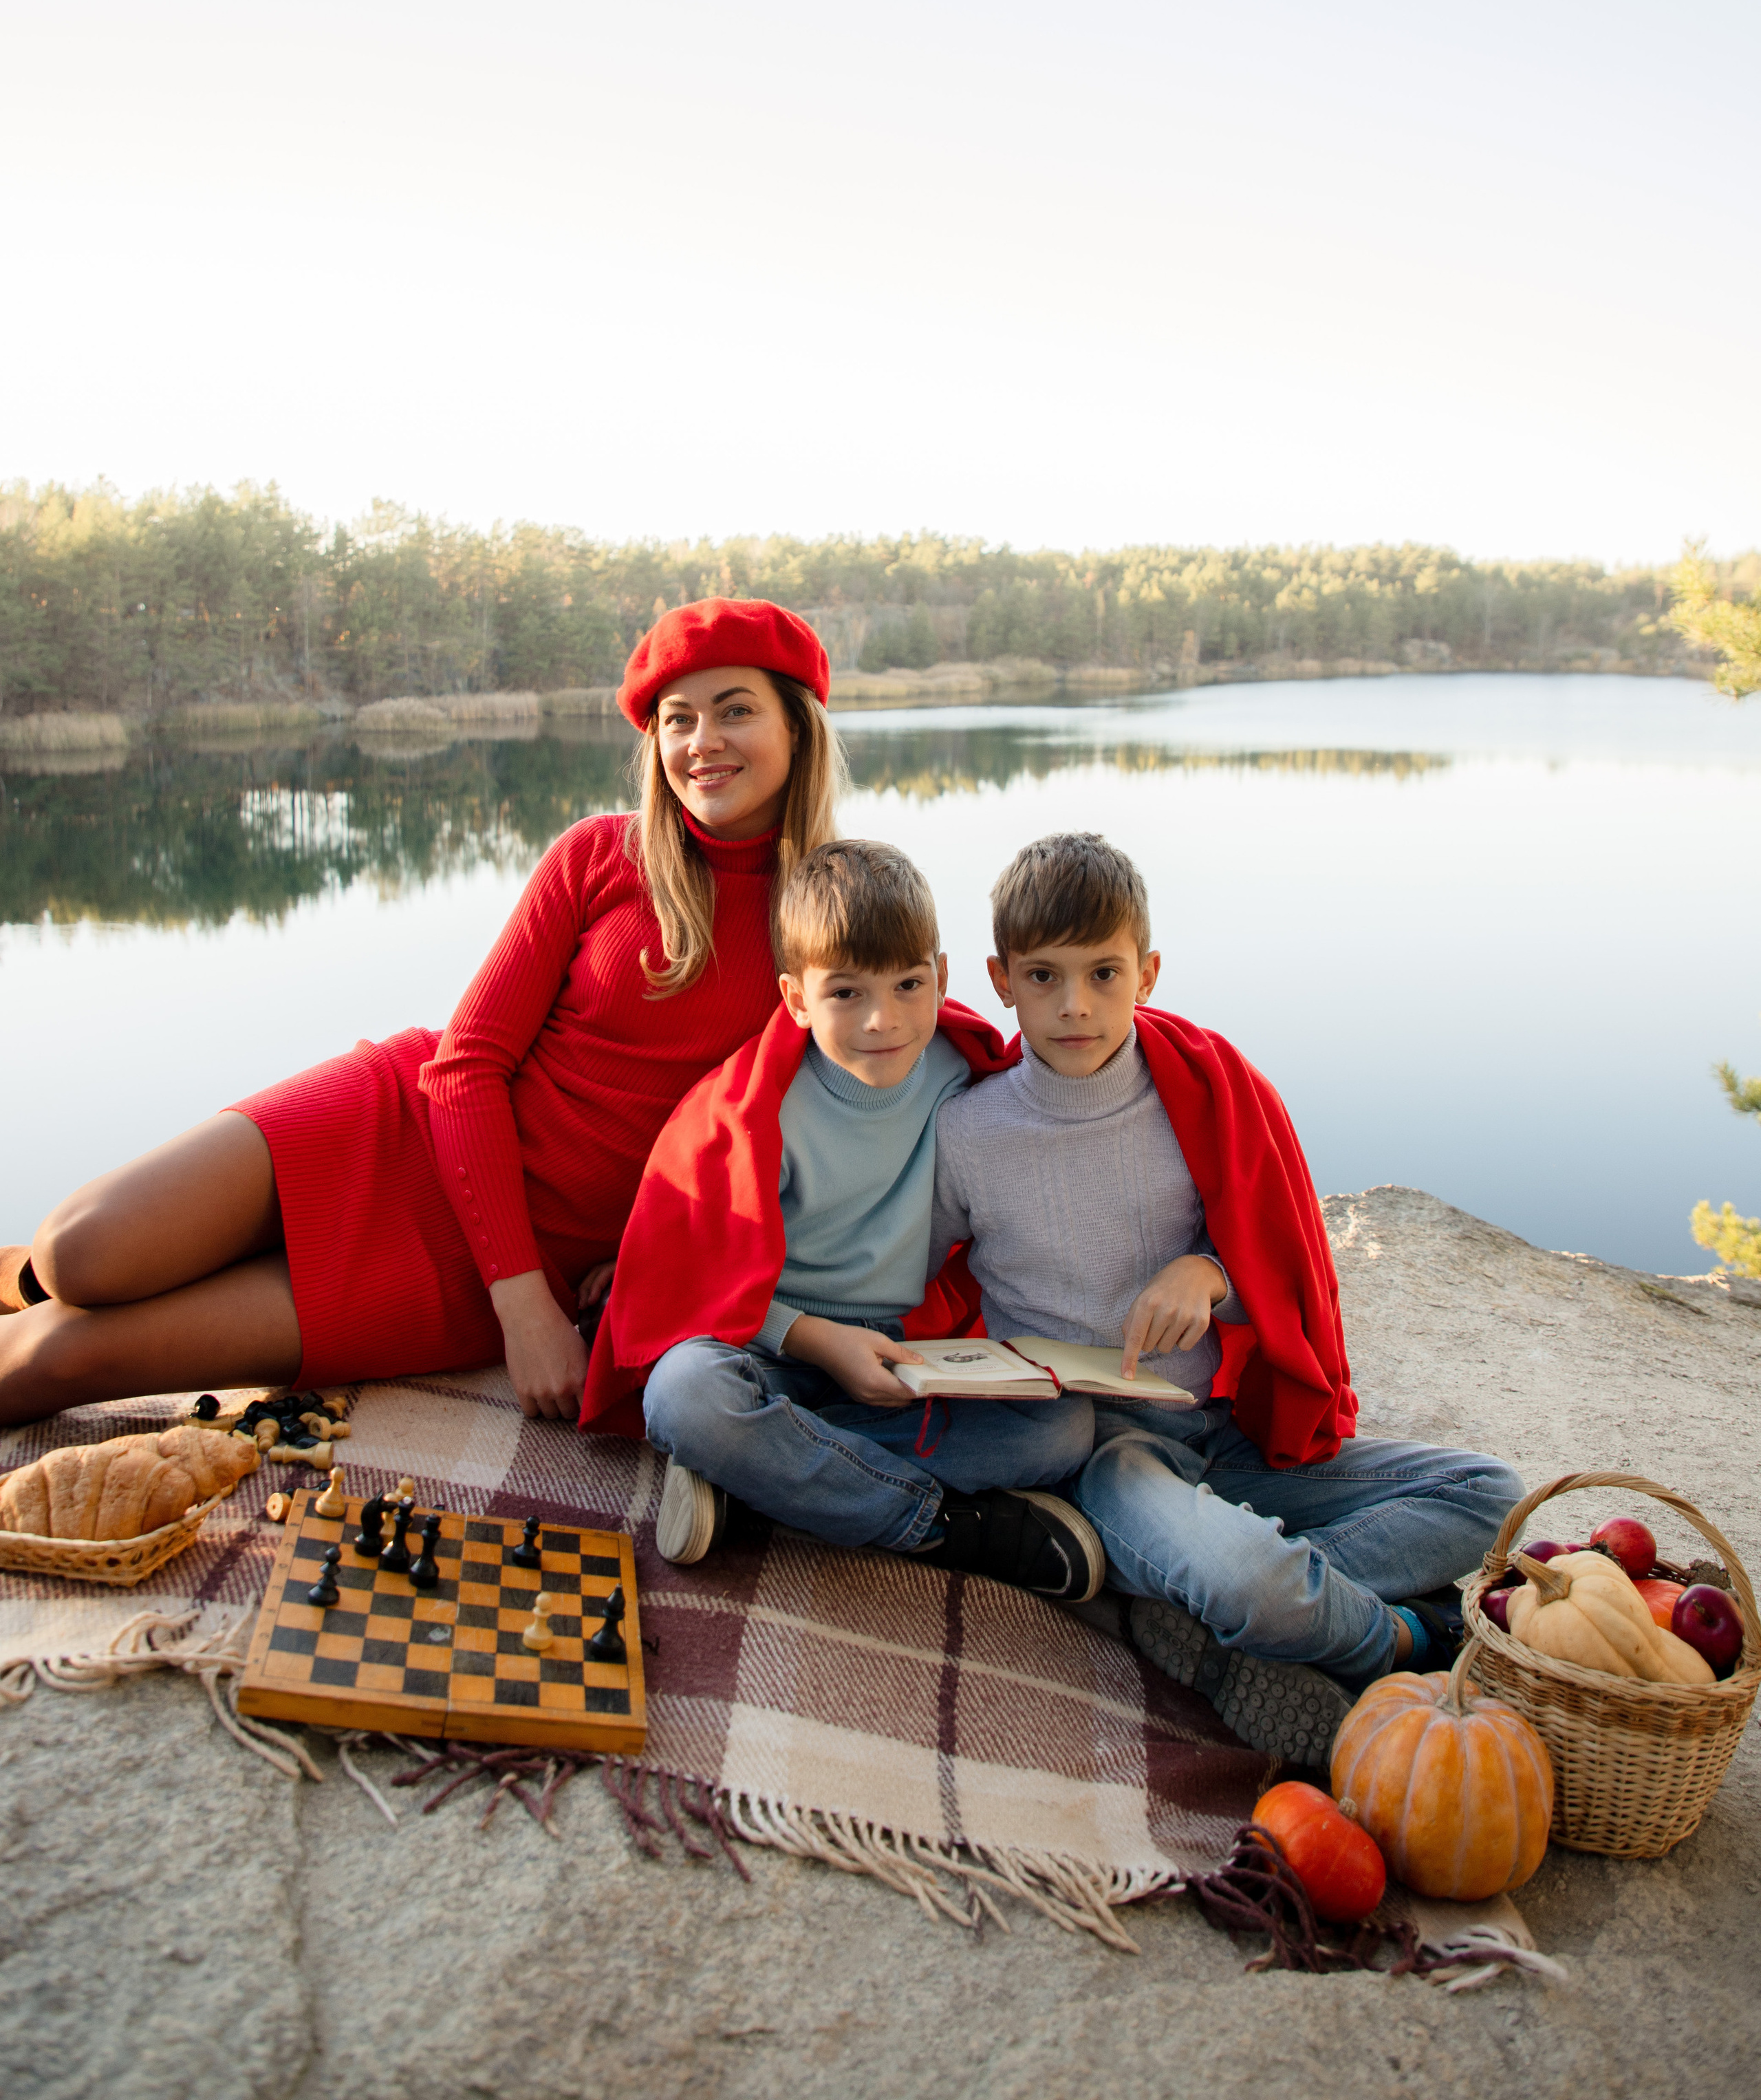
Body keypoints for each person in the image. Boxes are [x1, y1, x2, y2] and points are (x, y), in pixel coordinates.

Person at [0, 600, 843, 1428]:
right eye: (677, 719)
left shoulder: (833, 914)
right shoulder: (599, 854)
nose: (702, 743)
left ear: (798, 728)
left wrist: (610, 1270)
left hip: (474, 1267)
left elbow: (886, 1062)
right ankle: (20, 1277)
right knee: (79, 1254)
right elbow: (467, 1063)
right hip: (403, 1124)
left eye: (736, 711)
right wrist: (527, 1312)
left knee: (53, 1362)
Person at [927, 831, 1526, 1767]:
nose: (1075, 1005)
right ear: (1001, 979)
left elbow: (1282, 1257)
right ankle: (1405, 1638)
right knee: (1252, 1585)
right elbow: (906, 1281)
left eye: (1103, 973)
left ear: (1149, 972)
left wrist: (1209, 1272)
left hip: (1226, 1434)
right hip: (1104, 1456)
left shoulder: (1204, 1093)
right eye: (1044, 977)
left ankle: (1196, 1602)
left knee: (1492, 1497)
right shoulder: (967, 1133)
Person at [581, 838, 1105, 1602]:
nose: (881, 1020)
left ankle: (756, 1488)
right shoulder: (758, 1109)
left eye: (907, 985)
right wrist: (819, 1342)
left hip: (901, 1359)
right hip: (769, 1348)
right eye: (846, 994)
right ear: (796, 998)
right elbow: (690, 1278)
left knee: (1062, 1431)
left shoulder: (966, 1075)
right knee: (684, 1396)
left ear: (942, 977)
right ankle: (938, 1528)